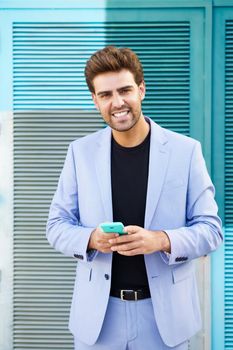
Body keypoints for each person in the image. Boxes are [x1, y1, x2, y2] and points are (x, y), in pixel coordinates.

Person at [46, 46, 223, 350]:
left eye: (125, 90)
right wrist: (91, 238)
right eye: (105, 95)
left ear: (141, 89)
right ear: (95, 100)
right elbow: (56, 226)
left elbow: (211, 229)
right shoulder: (80, 153)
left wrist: (161, 240)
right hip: (98, 320)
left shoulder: (186, 151)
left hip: (165, 320)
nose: (117, 103)